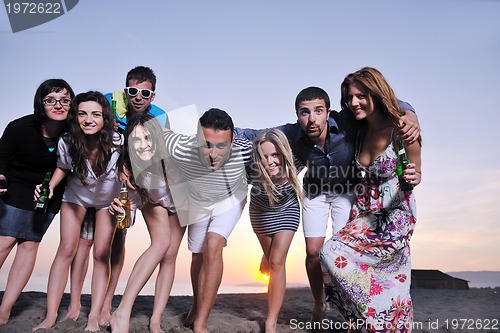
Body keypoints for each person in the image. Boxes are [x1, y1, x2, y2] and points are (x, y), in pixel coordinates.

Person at [235, 86, 420, 324]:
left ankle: (349, 307)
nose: (311, 119)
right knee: (313, 252)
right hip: (315, 192)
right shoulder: (291, 132)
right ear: (298, 115)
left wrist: (410, 112)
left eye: (318, 111)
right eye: (304, 112)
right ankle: (318, 304)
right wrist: (219, 134)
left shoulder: (346, 121)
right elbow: (251, 133)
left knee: (340, 252)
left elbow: (382, 104)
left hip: (347, 191)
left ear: (328, 111)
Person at [65, 65, 171, 325]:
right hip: (94, 180)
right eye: (133, 91)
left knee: (118, 238)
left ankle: (108, 301)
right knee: (86, 242)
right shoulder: (110, 102)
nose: (138, 97)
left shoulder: (160, 116)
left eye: (145, 93)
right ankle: (76, 302)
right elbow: (85, 122)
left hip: (131, 184)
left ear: (153, 96)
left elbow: (159, 148)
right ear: (125, 91)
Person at [320, 67, 421, 332]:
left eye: (361, 96)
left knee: (333, 252)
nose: (354, 103)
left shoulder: (402, 129)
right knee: (335, 262)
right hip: (363, 210)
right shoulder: (360, 130)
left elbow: (416, 170)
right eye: (350, 98)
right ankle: (377, 321)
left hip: (393, 214)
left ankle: (383, 321)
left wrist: (413, 175)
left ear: (375, 92)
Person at [32, 91, 122, 332]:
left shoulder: (118, 143)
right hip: (76, 197)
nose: (88, 119)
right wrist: (50, 186)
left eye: (95, 114)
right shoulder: (67, 141)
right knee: (67, 249)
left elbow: (131, 174)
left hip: (107, 202)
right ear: (75, 117)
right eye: (82, 113)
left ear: (105, 118)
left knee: (102, 254)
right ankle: (51, 316)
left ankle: (93, 315)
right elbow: (62, 166)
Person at [163, 108, 252, 333]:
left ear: (233, 140)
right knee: (197, 254)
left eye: (221, 146)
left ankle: (201, 321)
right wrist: (126, 165)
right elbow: (150, 132)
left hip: (231, 197)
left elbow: (281, 141)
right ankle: (196, 306)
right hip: (199, 200)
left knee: (213, 244)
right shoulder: (180, 146)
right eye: (207, 145)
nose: (213, 154)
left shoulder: (247, 148)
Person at [0, 79, 75, 326]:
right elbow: (2, 158)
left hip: (49, 191)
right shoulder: (19, 127)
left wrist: (49, 186)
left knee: (29, 245)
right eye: (51, 99)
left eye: (65, 100)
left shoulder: (73, 132)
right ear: (40, 103)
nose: (58, 104)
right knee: (5, 242)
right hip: (16, 186)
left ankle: (5, 309)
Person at [108, 113, 186, 333]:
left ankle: (155, 320)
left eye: (148, 138)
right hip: (153, 200)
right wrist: (120, 214)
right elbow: (128, 221)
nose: (143, 145)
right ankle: (122, 312)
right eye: (136, 140)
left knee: (170, 256)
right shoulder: (130, 173)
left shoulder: (174, 154)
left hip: (182, 201)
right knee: (161, 244)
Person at [248, 129, 302, 333]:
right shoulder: (250, 167)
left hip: (287, 209)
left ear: (283, 154)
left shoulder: (296, 161)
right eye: (264, 156)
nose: (270, 161)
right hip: (260, 211)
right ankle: (266, 256)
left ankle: (271, 321)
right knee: (271, 261)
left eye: (274, 155)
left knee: (277, 262)